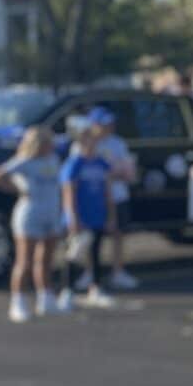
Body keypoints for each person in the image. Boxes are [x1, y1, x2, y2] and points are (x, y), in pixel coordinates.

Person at [0, 126, 64, 322]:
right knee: (24, 261)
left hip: (51, 213)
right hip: (30, 214)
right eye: (46, 142)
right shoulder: (24, 161)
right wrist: (17, 190)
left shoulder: (53, 160)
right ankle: (18, 301)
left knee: (45, 259)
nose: (50, 146)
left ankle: (45, 297)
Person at [80, 106, 140, 293]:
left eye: (110, 123)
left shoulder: (118, 143)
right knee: (91, 237)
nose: (110, 127)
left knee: (118, 234)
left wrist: (118, 174)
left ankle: (118, 272)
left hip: (118, 195)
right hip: (93, 198)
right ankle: (89, 272)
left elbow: (127, 171)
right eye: (104, 124)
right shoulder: (83, 144)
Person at [59, 121, 118, 309]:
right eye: (88, 140)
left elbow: (108, 192)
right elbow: (69, 193)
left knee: (95, 253)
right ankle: (66, 291)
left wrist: (111, 216)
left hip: (97, 214)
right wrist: (73, 217)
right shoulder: (74, 164)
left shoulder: (102, 164)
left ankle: (96, 288)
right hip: (80, 215)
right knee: (74, 254)